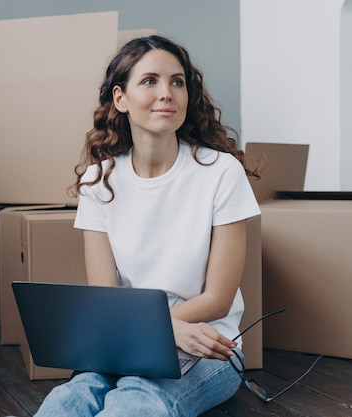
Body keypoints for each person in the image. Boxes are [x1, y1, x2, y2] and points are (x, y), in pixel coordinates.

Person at [33, 35, 261, 417]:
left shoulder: (221, 172)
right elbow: (106, 297)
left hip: (207, 343)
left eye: (177, 82)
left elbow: (219, 299)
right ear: (120, 99)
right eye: (149, 80)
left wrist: (158, 329)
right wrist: (158, 330)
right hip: (124, 340)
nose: (167, 92)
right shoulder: (98, 180)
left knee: (135, 401)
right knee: (67, 400)